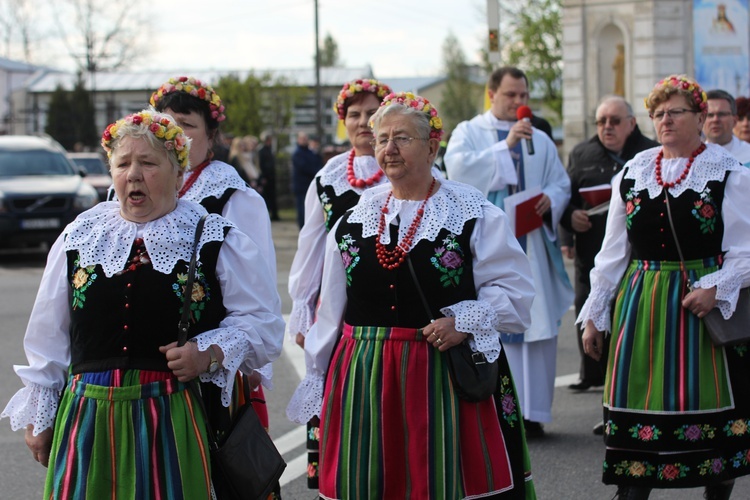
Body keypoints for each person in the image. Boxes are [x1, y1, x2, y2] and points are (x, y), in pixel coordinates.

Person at [0, 108, 284, 497]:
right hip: (87, 418)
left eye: (148, 163)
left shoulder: (214, 237)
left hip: (172, 416)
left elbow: (264, 324)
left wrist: (208, 354)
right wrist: (41, 412)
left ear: (178, 173)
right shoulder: (80, 236)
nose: (133, 174)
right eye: (123, 163)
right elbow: (49, 334)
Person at [287, 92, 537, 499]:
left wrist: (464, 321)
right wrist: (320, 377)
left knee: (442, 481)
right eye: (381, 138)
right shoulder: (354, 220)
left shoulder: (471, 213)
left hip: (442, 375)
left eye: (402, 138)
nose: (388, 149)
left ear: (433, 146)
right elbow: (332, 310)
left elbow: (516, 293)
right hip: (366, 378)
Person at [580, 75, 750, 499]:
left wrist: (716, 287)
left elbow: (746, 249)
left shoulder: (729, 172)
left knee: (713, 435)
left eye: (676, 112)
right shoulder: (634, 173)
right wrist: (595, 315)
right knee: (635, 437)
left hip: (702, 306)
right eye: (658, 113)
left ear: (699, 117)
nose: (666, 120)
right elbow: (612, 254)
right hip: (643, 305)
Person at [149, 76, 279, 473]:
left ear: (212, 136)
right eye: (164, 122)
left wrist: (254, 363)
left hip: (209, 363)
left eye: (187, 125)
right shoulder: (132, 189)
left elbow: (261, 291)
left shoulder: (234, 198)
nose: (174, 133)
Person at [444, 66, 574, 437]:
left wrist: (551, 198)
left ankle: (533, 413)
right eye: (511, 96)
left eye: (524, 96)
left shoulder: (541, 139)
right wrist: (506, 148)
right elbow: (457, 170)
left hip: (532, 243)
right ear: (492, 95)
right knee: (496, 322)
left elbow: (559, 182)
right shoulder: (469, 132)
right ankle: (498, 412)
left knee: (538, 326)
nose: (520, 103)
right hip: (486, 245)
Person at [287, 77, 391, 488]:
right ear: (342, 122)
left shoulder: (408, 165)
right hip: (337, 306)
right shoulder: (328, 177)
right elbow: (310, 245)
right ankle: (347, 481)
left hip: (392, 301)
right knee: (343, 400)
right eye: (355, 114)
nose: (364, 122)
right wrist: (301, 308)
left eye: (372, 113)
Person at [561, 96, 658, 405]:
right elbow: (567, 197)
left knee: (623, 319)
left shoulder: (650, 152)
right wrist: (569, 222)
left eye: (614, 121)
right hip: (591, 248)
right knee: (587, 307)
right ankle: (592, 374)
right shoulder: (581, 152)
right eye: (601, 121)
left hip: (635, 252)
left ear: (632, 123)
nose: (607, 127)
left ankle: (623, 387)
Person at [703, 89, 750, 166]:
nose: (715, 120)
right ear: (700, 120)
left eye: (721, 114)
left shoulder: (747, 155)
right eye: (710, 115)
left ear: (735, 120)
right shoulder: (691, 158)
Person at [292, 131, 324, 228]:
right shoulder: (297, 154)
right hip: (301, 186)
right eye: (302, 139)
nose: (304, 140)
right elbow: (305, 168)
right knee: (302, 209)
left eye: (306, 138)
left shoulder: (310, 152)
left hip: (309, 185)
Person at [258, 131, 280, 221]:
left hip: (271, 177)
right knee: (267, 197)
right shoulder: (262, 151)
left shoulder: (269, 150)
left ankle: (274, 214)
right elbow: (262, 164)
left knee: (272, 196)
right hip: (266, 177)